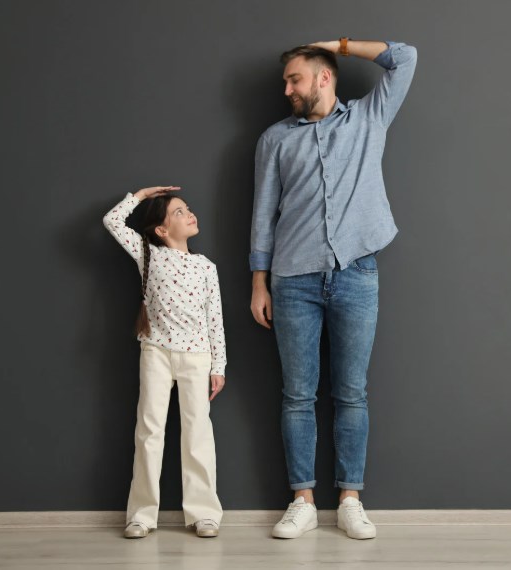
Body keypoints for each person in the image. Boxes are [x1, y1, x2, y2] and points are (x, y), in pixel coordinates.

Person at [249, 38, 417, 540]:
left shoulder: (368, 118)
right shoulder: (274, 140)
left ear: (323, 77)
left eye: (294, 79)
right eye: (285, 81)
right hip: (292, 279)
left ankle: (350, 500)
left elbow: (405, 57)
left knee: (351, 393)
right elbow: (263, 215)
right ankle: (301, 500)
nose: (287, 90)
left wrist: (336, 45)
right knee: (297, 395)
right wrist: (259, 283)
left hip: (357, 274)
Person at [103, 186, 227, 539]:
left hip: (197, 356)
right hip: (156, 352)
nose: (189, 214)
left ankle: (204, 514)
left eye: (188, 209)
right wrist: (140, 196)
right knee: (149, 432)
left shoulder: (206, 267)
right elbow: (112, 221)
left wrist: (218, 366)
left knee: (198, 433)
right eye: (178, 212)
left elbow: (215, 318)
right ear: (161, 229)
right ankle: (141, 515)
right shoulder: (148, 255)